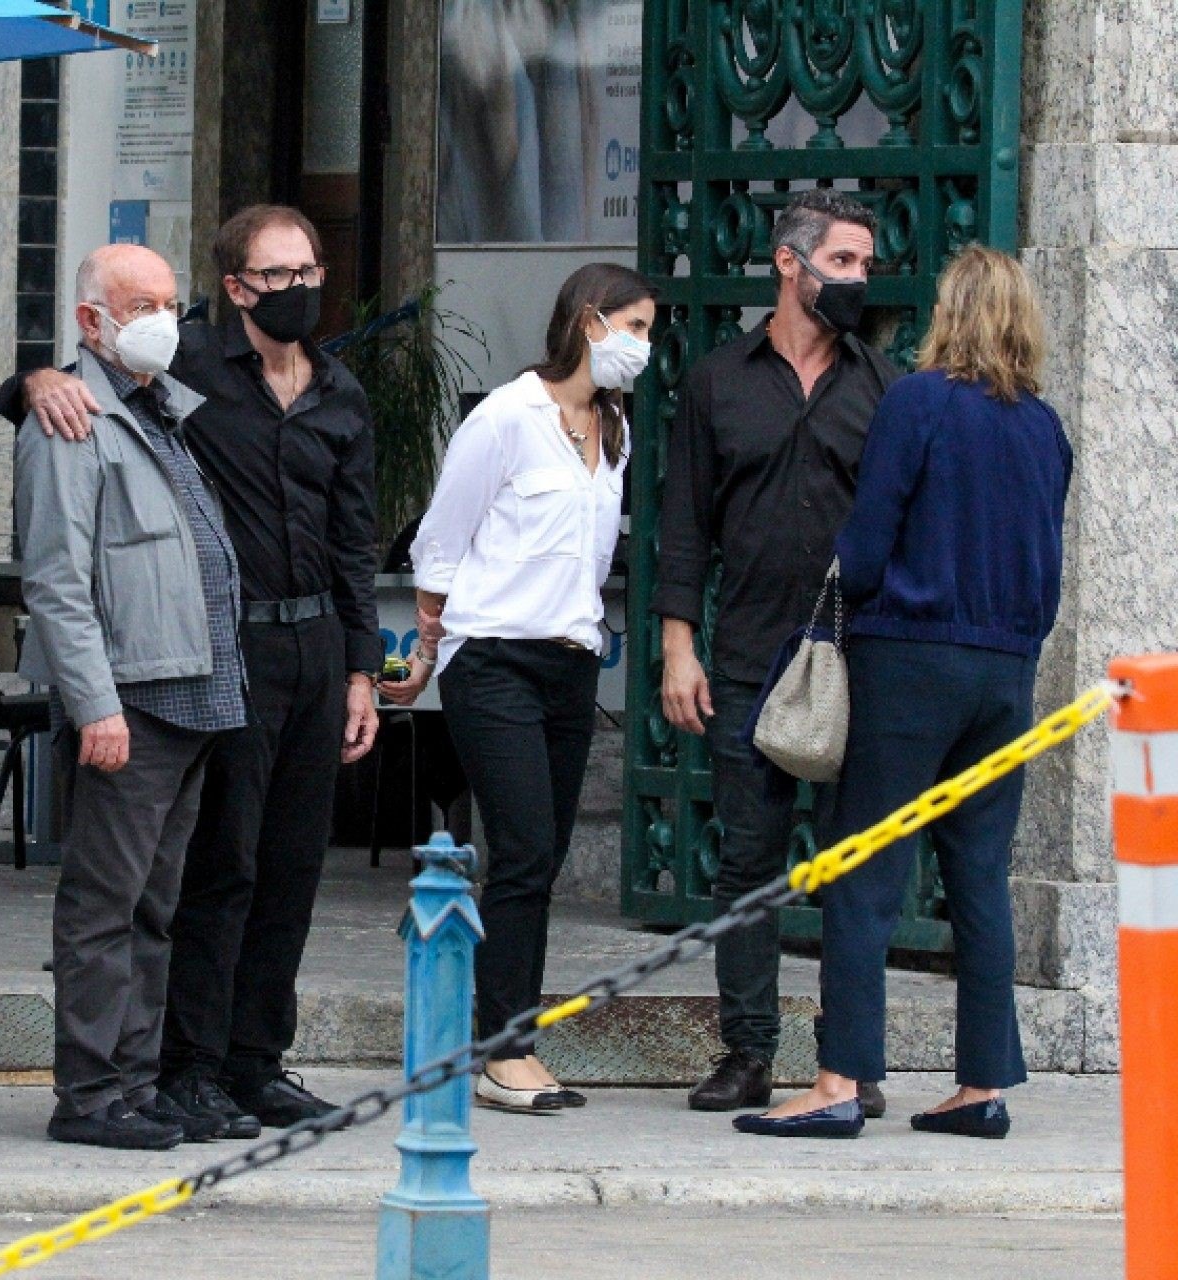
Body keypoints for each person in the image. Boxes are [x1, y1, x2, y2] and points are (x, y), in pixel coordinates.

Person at [0, 206, 382, 1135]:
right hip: (195, 662)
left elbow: (354, 543)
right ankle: (172, 1073)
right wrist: (33, 378)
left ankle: (242, 1066)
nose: (298, 289)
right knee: (205, 876)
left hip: (295, 654)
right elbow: (57, 557)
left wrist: (362, 669)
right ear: (238, 287)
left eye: (309, 271)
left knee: (274, 875)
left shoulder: (322, 393)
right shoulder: (175, 373)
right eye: (277, 274)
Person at [738, 247, 1071, 1139]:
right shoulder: (1044, 426)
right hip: (1006, 674)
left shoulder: (918, 402)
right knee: (980, 878)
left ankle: (840, 1080)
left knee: (865, 870)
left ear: (950, 313)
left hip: (910, 662)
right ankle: (983, 1084)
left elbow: (869, 541)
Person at [380, 263, 654, 1113]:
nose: (644, 346)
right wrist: (428, 650)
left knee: (543, 857)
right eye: (634, 327)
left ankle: (508, 1039)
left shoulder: (614, 429)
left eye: (650, 330)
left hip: (570, 661)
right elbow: (441, 539)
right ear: (588, 321)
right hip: (494, 658)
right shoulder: (506, 416)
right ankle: (503, 1049)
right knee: (525, 846)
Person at [653, 188, 900, 1115]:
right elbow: (684, 524)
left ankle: (849, 1060)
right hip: (751, 655)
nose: (859, 278)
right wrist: (678, 647)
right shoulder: (718, 380)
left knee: (855, 865)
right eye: (843, 261)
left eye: (865, 264)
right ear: (789, 264)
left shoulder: (884, 386)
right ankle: (747, 1052)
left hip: (857, 657)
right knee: (747, 861)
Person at [16, 244, 248, 1151]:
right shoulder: (71, 418)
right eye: (140, 304)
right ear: (90, 322)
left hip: (190, 695)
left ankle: (135, 1084)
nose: (163, 320)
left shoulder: (161, 409)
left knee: (155, 907)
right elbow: (57, 581)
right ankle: (88, 1095)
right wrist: (95, 704)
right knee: (104, 906)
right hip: (132, 702)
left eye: (169, 303)